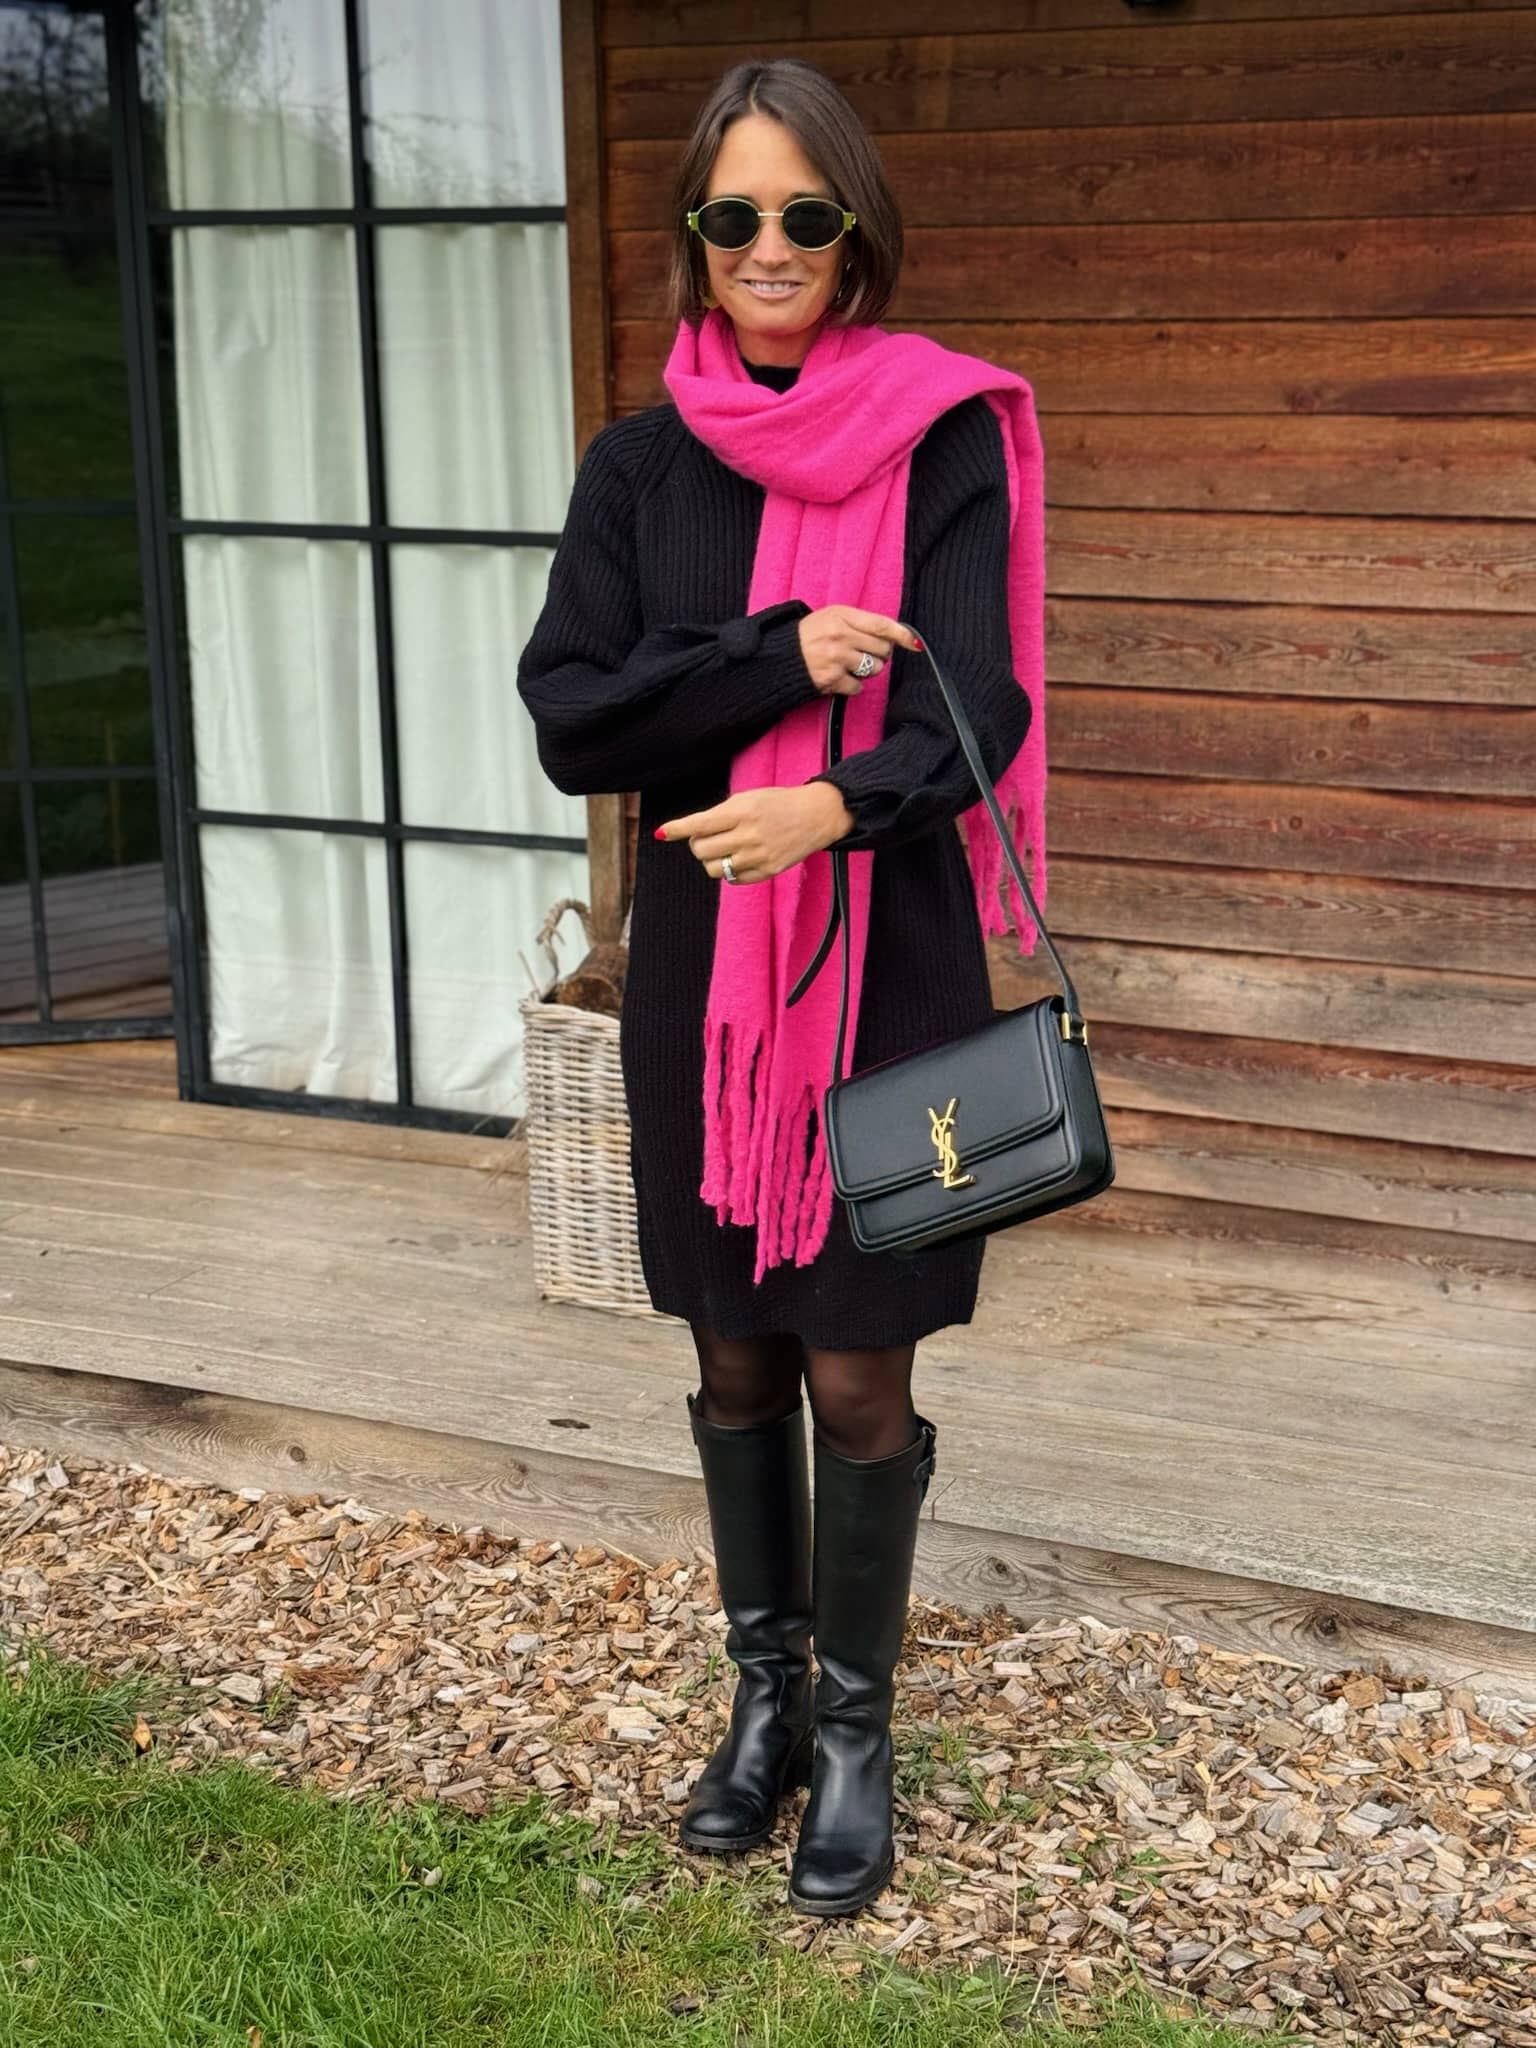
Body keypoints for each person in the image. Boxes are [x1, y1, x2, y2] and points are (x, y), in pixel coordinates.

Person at [516, 56, 1045, 1920]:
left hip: (890, 961)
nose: (768, 246)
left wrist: (834, 801)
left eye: (803, 214)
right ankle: (764, 1700)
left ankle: (859, 1729)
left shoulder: (941, 439)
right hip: (703, 977)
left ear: (857, 233)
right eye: (732, 214)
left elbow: (977, 703)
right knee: (732, 1346)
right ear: (692, 234)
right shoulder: (638, 468)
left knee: (858, 1363)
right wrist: (770, 660)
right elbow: (576, 718)